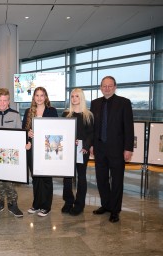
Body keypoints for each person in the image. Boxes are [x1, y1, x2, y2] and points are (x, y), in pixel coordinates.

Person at [90, 76, 134, 223]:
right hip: (99, 148)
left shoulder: (124, 103)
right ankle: (106, 205)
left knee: (116, 181)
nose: (107, 88)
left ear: (115, 87)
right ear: (101, 87)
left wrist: (128, 148)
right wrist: (91, 145)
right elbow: (92, 128)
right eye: (104, 86)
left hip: (117, 149)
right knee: (101, 179)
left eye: (110, 86)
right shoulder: (95, 104)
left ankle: (115, 210)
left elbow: (129, 127)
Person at [0, 88, 24, 218]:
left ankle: (13, 203)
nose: (2, 103)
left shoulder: (15, 115)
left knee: (10, 180)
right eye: (0, 100)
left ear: (9, 101)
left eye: (5, 100)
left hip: (12, 153)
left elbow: (20, 134)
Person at [22, 87, 58, 217]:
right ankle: (36, 204)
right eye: (37, 95)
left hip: (47, 149)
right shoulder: (28, 112)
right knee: (36, 178)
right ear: (34, 98)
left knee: (46, 178)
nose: (39, 98)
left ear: (46, 97)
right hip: (33, 149)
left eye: (42, 95)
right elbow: (23, 131)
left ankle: (46, 206)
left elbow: (56, 129)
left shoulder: (52, 111)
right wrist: (28, 133)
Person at [61, 88, 93, 216]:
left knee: (82, 177)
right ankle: (68, 202)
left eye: (77, 96)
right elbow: (61, 132)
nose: (74, 99)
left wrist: (85, 146)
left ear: (81, 98)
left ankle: (79, 205)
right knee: (67, 178)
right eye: (72, 96)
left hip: (82, 150)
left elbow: (91, 134)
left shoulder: (88, 115)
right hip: (67, 150)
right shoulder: (65, 114)